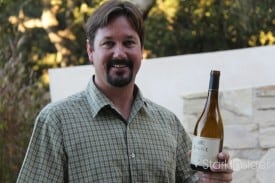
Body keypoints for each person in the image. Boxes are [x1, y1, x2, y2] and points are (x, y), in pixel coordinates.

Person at [17, 0, 233, 182]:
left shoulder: (169, 125)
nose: (119, 53)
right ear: (91, 51)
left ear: (141, 51)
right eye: (108, 43)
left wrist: (215, 179)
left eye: (129, 43)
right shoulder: (56, 122)